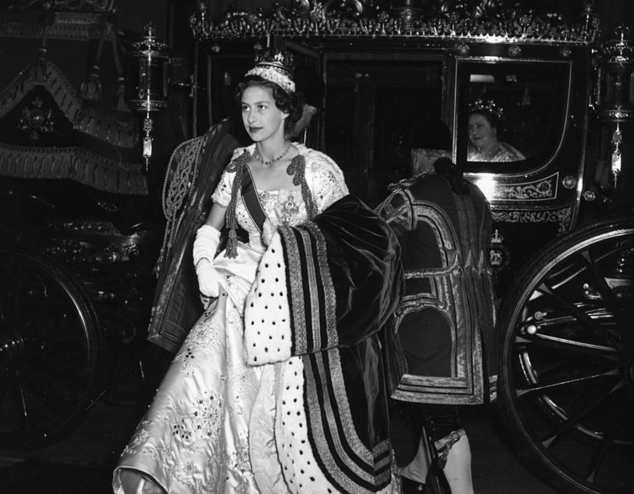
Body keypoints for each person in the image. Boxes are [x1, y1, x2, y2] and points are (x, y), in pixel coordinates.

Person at [113, 48, 402, 494]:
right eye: (246, 107)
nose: (251, 116)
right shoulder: (237, 165)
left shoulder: (317, 171)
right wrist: (204, 263)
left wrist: (289, 249)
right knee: (200, 395)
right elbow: (210, 227)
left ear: (285, 110)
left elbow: (353, 242)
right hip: (234, 297)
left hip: (293, 314)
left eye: (262, 106)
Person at [377, 118, 497, 494]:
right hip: (477, 325)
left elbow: (371, 237)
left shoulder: (409, 195)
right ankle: (416, 469)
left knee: (440, 416)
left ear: (417, 156)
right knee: (441, 408)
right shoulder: (475, 194)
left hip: (431, 324)